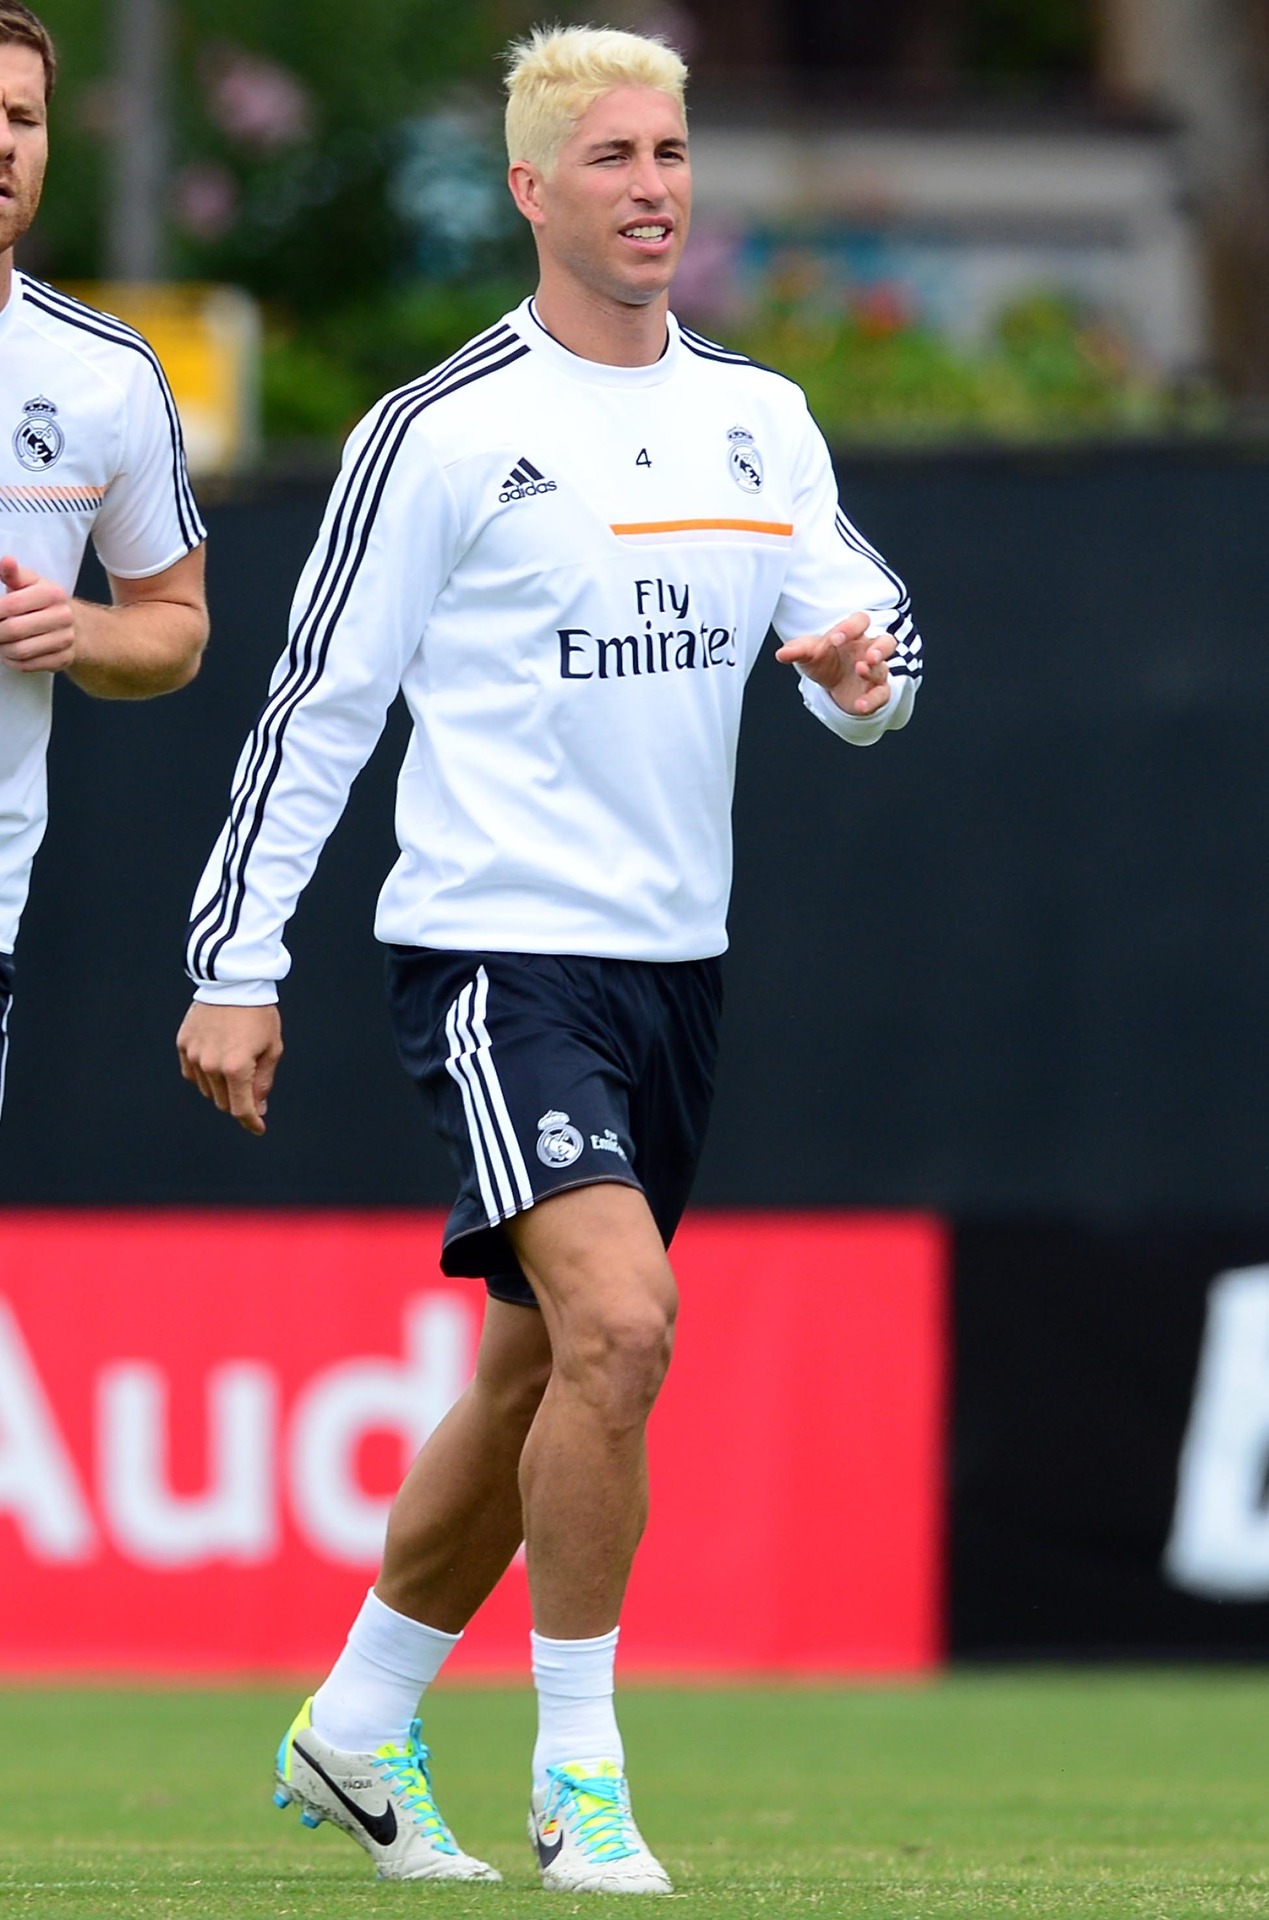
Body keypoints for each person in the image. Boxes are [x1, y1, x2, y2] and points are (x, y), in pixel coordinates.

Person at [177, 24, 922, 1896]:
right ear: (528, 188)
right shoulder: (440, 429)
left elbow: (867, 635)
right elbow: (317, 709)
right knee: (623, 1326)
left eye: (668, 152)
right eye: (609, 157)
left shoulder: (757, 417)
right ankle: (578, 1775)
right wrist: (236, 960)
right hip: (498, 959)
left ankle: (355, 1723)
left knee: (534, 1381)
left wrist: (862, 677)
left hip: (675, 972)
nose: (651, 186)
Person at [0, 2, 208, 1115]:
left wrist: (75, 629)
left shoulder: (105, 373)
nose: (3, 143)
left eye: (22, 118)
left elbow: (177, 626)